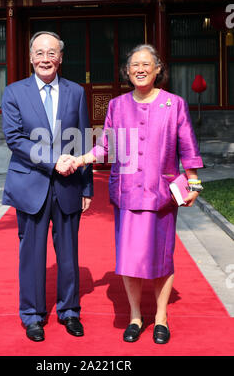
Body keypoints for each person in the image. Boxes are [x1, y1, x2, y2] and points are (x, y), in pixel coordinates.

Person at [73, 44, 203, 344]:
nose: (140, 69)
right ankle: (135, 315)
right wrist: (79, 160)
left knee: (162, 259)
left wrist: (193, 183)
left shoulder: (175, 104)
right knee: (129, 260)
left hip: (162, 197)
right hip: (127, 195)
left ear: (158, 69)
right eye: (134, 65)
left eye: (147, 64)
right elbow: (106, 146)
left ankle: (161, 318)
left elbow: (188, 147)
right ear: (127, 71)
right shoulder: (117, 106)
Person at [1, 31, 93, 342]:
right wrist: (54, 160)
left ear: (61, 58)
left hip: (68, 186)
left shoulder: (76, 92)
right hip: (30, 185)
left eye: (51, 53)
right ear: (30, 57)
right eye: (39, 53)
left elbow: (82, 138)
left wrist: (87, 188)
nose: (45, 59)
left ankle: (70, 311)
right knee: (31, 253)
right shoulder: (14, 93)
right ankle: (32, 315)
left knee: (68, 253)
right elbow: (15, 139)